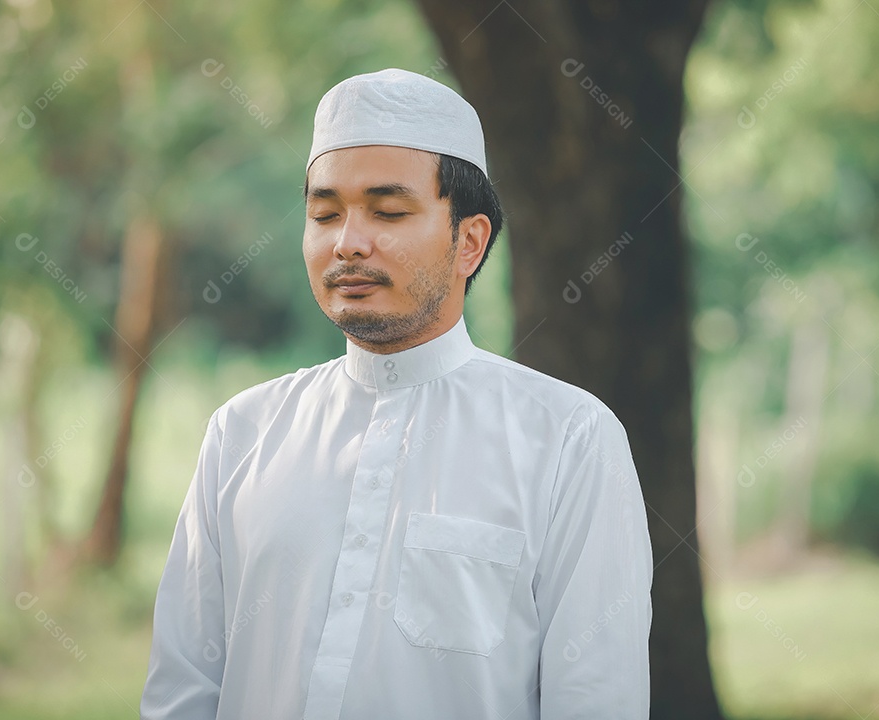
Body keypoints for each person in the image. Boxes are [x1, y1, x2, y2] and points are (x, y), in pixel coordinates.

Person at [140, 67, 652, 720]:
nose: (348, 243)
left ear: (469, 242)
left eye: (387, 212)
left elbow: (596, 700)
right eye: (324, 214)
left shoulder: (569, 440)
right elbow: (182, 692)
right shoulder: (241, 433)